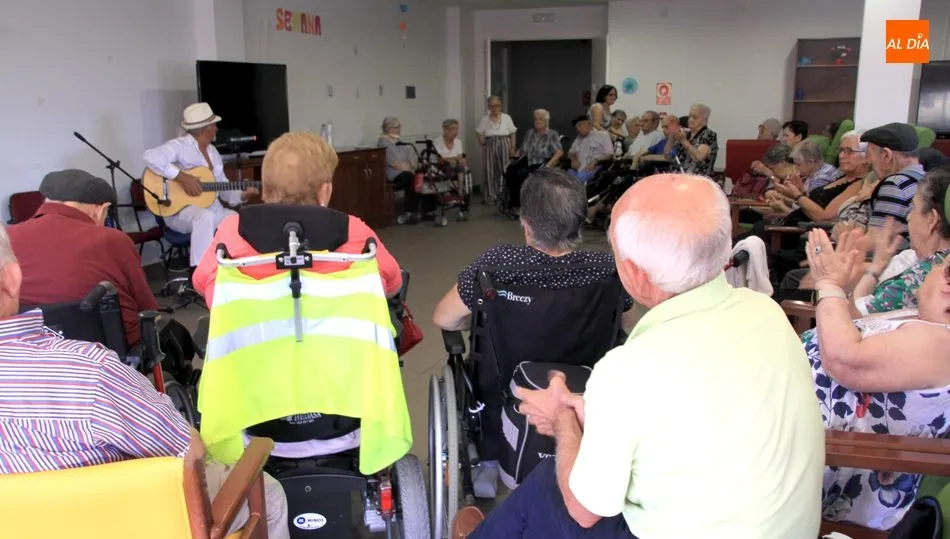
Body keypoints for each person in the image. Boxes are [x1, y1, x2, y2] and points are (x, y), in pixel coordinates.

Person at [451, 173, 824, 539]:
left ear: (633, 273)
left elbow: (584, 511)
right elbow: (699, 407)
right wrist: (591, 407)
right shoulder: (768, 313)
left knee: (555, 483)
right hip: (784, 527)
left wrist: (563, 417)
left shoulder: (628, 370)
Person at [0, 223, 289, 538]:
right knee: (267, 491)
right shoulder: (89, 373)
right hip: (120, 524)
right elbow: (189, 453)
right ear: (12, 278)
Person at [802, 227, 950, 531]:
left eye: (939, 263)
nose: (930, 268)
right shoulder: (921, 321)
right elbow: (854, 330)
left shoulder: (942, 344)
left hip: (831, 458)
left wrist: (827, 283)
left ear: (947, 284)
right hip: (796, 430)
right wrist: (844, 288)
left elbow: (845, 361)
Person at [194, 131, 402, 306]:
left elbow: (201, 282)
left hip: (253, 351)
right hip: (337, 350)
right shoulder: (353, 231)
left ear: (264, 191)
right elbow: (393, 283)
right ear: (325, 191)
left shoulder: (232, 230)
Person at [434, 167, 633, 332]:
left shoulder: (498, 261)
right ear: (578, 222)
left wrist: (485, 321)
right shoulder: (606, 266)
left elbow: (444, 319)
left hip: (507, 376)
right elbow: (629, 326)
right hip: (586, 375)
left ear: (527, 225)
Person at [7, 169, 158, 347]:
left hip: (31, 350)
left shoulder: (7, 237)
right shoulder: (112, 239)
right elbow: (146, 305)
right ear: (101, 210)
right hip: (110, 351)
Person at [143, 103, 258, 268]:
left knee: (234, 219)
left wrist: (242, 195)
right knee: (204, 217)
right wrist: (182, 177)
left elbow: (222, 188)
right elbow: (150, 156)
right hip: (179, 212)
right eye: (214, 125)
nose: (217, 129)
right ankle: (201, 273)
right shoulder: (179, 146)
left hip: (214, 209)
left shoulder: (213, 152)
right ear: (207, 128)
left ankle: (236, 268)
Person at [861, 122, 925, 247]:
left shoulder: (895, 185)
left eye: (869, 154)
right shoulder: (927, 180)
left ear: (886, 155)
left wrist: (845, 235)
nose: (866, 161)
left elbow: (874, 245)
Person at [504, 109, 563, 212]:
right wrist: (515, 156)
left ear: (546, 121)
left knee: (523, 175)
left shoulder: (552, 134)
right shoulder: (529, 132)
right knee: (510, 170)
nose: (537, 121)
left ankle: (521, 204)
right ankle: (514, 203)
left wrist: (549, 165)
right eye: (535, 119)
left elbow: (559, 152)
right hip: (528, 159)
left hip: (541, 161)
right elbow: (522, 149)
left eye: (540, 119)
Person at [378, 116, 422, 225]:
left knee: (418, 177)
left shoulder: (398, 141)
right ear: (389, 129)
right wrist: (408, 165)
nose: (399, 129)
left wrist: (408, 165)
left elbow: (407, 157)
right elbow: (394, 163)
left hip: (404, 171)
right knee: (411, 178)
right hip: (393, 175)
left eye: (399, 127)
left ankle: (415, 211)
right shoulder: (384, 142)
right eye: (397, 127)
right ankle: (409, 212)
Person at [475, 96, 517, 205]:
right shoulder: (485, 119)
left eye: (497, 106)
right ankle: (491, 196)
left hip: (504, 143)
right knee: (490, 170)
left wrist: (512, 147)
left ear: (500, 106)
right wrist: (481, 141)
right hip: (490, 144)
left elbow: (512, 132)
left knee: (504, 168)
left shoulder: (506, 117)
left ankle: (503, 194)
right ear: (489, 107)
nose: (495, 108)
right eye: (492, 106)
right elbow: (479, 132)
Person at [663, 103, 719, 177]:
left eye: (694, 117)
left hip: (697, 182)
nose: (690, 119)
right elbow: (667, 156)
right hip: (676, 179)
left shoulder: (709, 135)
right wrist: (672, 134)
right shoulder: (685, 134)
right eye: (690, 116)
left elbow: (699, 157)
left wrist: (683, 141)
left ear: (705, 120)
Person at [567, 115, 613, 184]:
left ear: (589, 123)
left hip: (594, 168)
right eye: (576, 128)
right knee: (563, 180)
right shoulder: (579, 138)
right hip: (577, 169)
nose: (578, 129)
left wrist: (595, 161)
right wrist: (573, 159)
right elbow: (570, 153)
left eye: (580, 125)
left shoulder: (603, 135)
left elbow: (610, 154)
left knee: (576, 182)